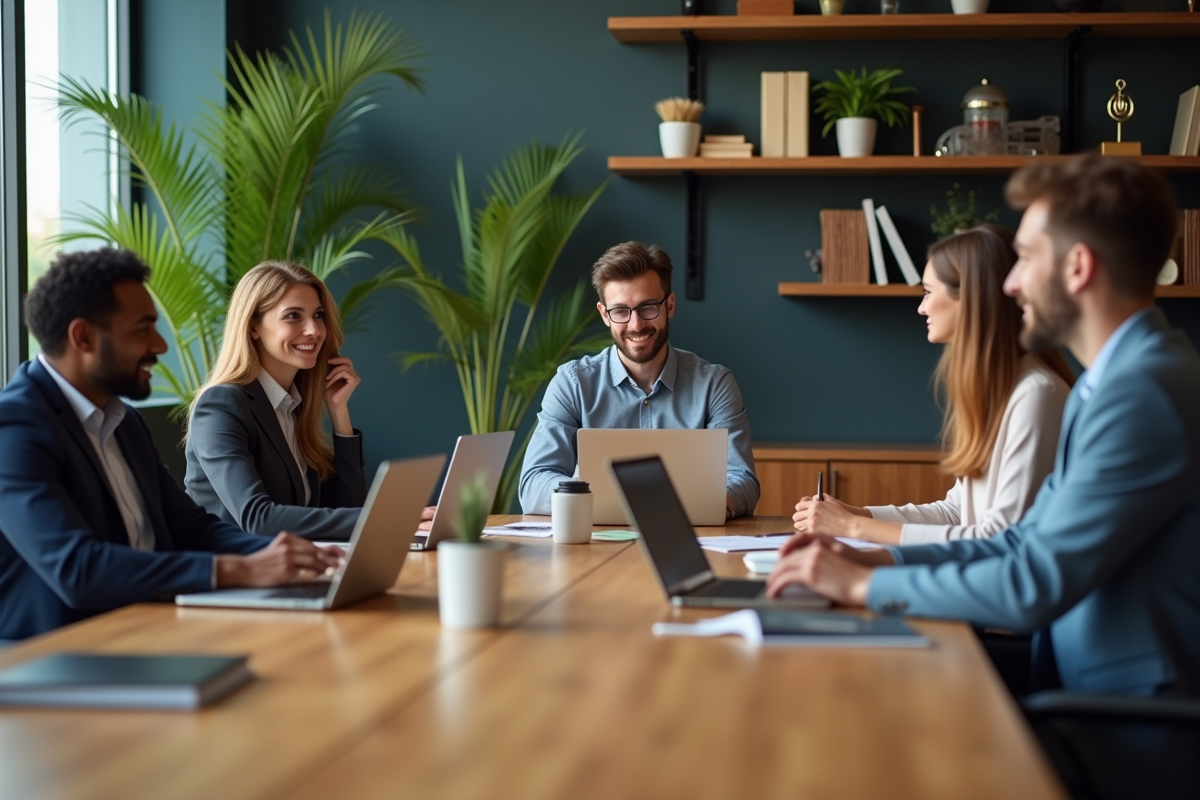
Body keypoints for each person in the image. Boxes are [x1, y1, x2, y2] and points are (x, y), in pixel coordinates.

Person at [768, 155, 1200, 695]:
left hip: (1122, 718)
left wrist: (866, 583)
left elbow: (1033, 582)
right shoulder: (1114, 381)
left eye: (1024, 258)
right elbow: (1023, 540)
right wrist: (880, 554)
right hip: (1073, 678)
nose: (1011, 284)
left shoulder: (1143, 394)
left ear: (1078, 267)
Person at [0, 248, 342, 641]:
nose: (160, 345)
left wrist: (286, 557)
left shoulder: (124, 422)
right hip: (61, 653)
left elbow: (193, 528)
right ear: (84, 337)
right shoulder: (14, 427)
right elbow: (77, 569)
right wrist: (240, 570)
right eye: (142, 329)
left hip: (151, 629)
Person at [791, 226, 1074, 545]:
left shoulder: (1037, 395)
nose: (921, 307)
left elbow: (1001, 539)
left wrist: (853, 527)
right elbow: (956, 512)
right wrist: (860, 514)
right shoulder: (1000, 392)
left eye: (927, 292)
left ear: (969, 298)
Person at [185, 261, 430, 541]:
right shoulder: (220, 406)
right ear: (253, 326)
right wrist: (386, 516)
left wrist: (339, 412)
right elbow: (257, 517)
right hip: (235, 578)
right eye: (293, 316)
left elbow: (346, 510)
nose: (314, 330)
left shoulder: (291, 407)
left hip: (299, 568)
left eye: (318, 315)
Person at [519, 241, 759, 518]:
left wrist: (717, 500)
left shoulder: (714, 384)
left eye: (648, 307)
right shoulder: (571, 384)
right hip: (592, 548)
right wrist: (589, 494)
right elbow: (533, 484)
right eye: (620, 311)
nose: (636, 325)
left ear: (669, 305)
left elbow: (743, 479)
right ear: (604, 315)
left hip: (691, 542)